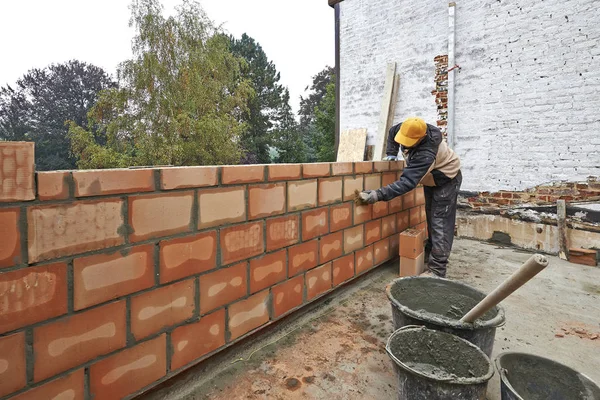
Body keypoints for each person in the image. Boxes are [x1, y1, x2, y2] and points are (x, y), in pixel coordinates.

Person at [356, 117, 462, 277]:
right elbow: (392, 132)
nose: (404, 145)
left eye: (408, 142)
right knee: (431, 217)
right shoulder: (406, 127)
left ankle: (437, 270)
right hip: (431, 179)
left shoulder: (426, 153)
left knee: (440, 221)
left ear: (421, 138)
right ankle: (430, 255)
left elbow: (407, 183)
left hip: (446, 179)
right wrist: (391, 153)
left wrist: (378, 195)